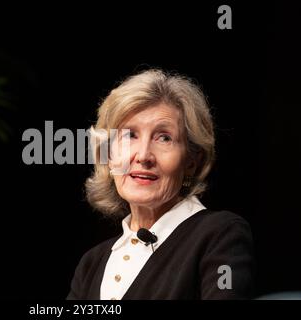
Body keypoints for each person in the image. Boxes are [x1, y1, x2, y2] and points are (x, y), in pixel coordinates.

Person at [67, 69, 255, 300]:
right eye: (129, 135)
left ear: (191, 162)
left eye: (164, 137)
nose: (144, 155)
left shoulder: (220, 235)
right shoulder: (92, 264)